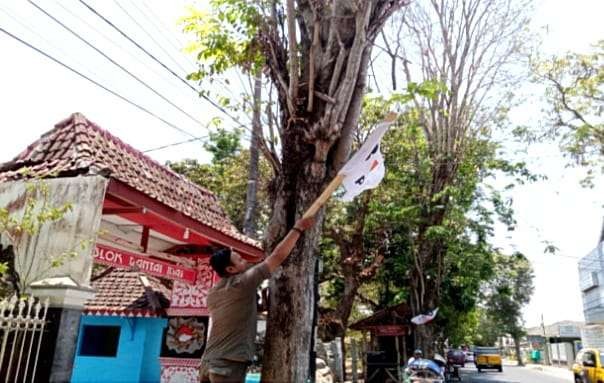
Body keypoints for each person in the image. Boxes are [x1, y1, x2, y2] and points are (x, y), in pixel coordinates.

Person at [199, 216, 316, 383]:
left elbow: (233, 313)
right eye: (239, 260)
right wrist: (297, 228)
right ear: (230, 269)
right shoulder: (243, 282)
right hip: (227, 365)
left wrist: (259, 306)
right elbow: (277, 257)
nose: (244, 261)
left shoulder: (213, 293)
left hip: (207, 362)